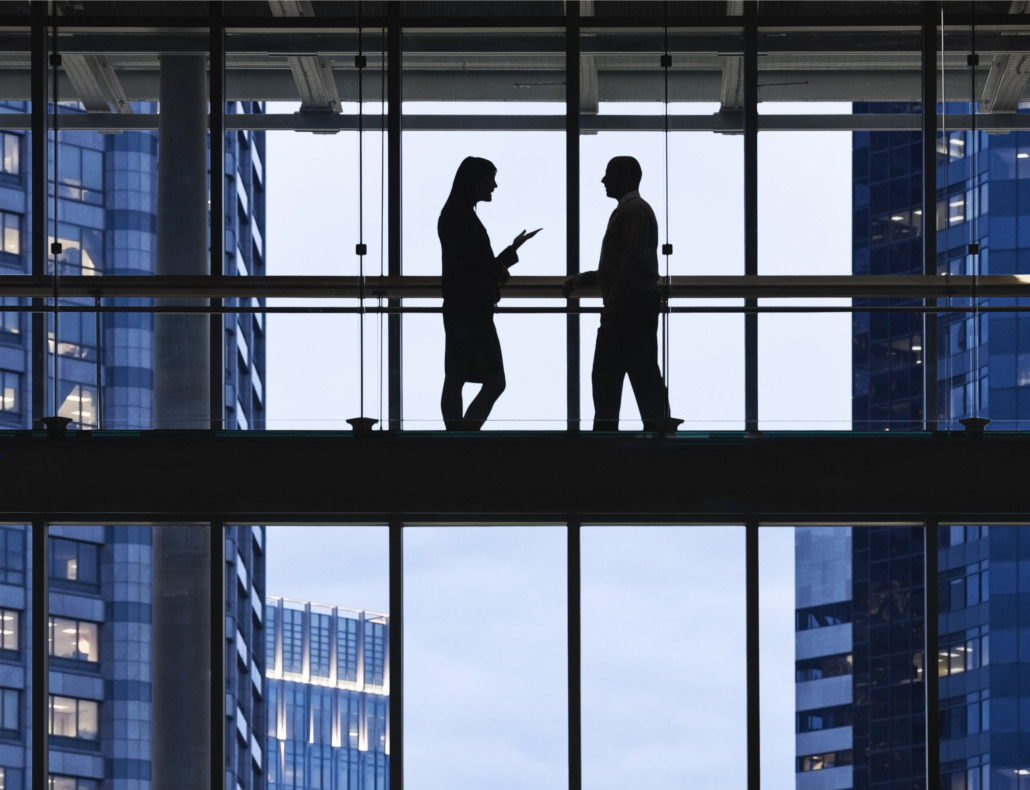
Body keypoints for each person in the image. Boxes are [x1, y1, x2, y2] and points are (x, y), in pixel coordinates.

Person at [563, 155, 674, 432]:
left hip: (628, 308)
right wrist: (586, 279)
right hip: (633, 305)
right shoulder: (635, 210)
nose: (603, 180)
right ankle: (658, 434)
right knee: (639, 373)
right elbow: (625, 262)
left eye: (609, 174)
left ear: (625, 177)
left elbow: (631, 261)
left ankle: (608, 437)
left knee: (612, 376)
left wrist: (612, 303)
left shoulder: (633, 210)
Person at [439, 156, 540, 430]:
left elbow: (468, 260)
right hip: (470, 309)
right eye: (489, 179)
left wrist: (509, 253)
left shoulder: (456, 213)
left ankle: (458, 435)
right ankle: (462, 434)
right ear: (474, 181)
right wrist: (499, 266)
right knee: (489, 380)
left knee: (458, 375)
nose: (494, 186)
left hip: (465, 307)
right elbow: (470, 261)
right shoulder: (459, 214)